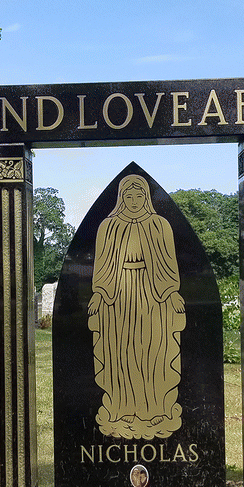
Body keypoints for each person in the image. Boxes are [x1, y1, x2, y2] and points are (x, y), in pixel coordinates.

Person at [87, 174, 185, 440]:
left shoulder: (159, 225)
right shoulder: (108, 227)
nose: (133, 201)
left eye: (139, 196)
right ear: (121, 198)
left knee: (153, 351)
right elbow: (102, 266)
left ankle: (154, 408)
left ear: (147, 198)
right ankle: (123, 407)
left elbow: (168, 264)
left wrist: (172, 292)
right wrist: (99, 293)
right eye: (128, 196)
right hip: (118, 297)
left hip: (153, 297)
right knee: (121, 352)